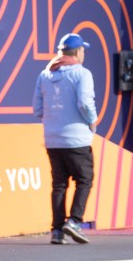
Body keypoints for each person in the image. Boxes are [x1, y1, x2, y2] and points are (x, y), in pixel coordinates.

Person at [32, 32, 97, 245]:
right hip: (77, 138)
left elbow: (38, 109)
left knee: (59, 184)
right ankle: (75, 222)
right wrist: (92, 121)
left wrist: (55, 121)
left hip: (53, 139)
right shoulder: (82, 73)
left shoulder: (45, 74)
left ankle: (57, 231)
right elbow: (85, 103)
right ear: (78, 52)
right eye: (83, 50)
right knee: (84, 180)